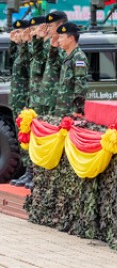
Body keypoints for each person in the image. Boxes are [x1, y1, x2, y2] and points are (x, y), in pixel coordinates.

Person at [9, 19, 33, 189]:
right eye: (16, 33)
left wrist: (23, 45)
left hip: (26, 99)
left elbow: (27, 66)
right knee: (22, 137)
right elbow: (13, 61)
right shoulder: (21, 50)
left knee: (30, 138)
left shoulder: (31, 51)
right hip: (17, 100)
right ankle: (27, 170)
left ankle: (32, 172)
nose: (18, 35)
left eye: (21, 32)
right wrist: (15, 44)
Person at [53, 22, 89, 117]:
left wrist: (77, 109)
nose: (58, 40)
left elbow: (80, 84)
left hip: (71, 111)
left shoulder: (79, 57)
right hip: (62, 109)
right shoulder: (66, 56)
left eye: (61, 37)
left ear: (71, 38)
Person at [40, 11, 68, 114]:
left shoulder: (68, 45)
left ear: (60, 26)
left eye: (50, 26)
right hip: (47, 98)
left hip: (59, 101)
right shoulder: (49, 45)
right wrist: (38, 39)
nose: (48, 30)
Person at [27, 16, 48, 110]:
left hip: (44, 99)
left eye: (34, 29)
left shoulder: (50, 47)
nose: (31, 33)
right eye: (30, 30)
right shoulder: (34, 47)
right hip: (35, 98)